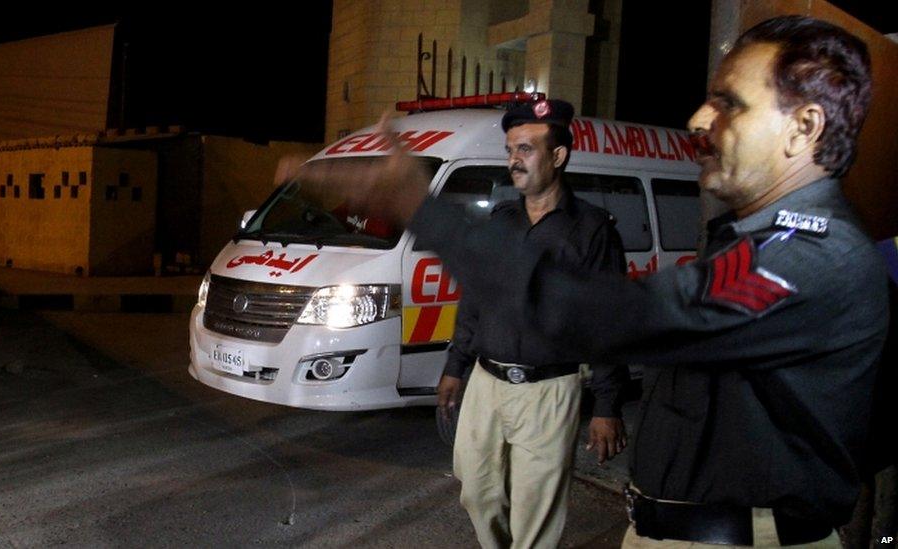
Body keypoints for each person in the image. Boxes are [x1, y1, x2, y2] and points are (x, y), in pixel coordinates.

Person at [281, 14, 888, 547]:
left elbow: (609, 315)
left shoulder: (807, 255)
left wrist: (421, 206)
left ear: (804, 128)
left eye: (730, 102)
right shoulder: (756, 240)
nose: (700, 117)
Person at [435, 99, 630, 548]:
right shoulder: (500, 222)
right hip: (487, 382)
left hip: (548, 391)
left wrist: (606, 405)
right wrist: (455, 365)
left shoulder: (592, 231)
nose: (513, 161)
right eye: (510, 150)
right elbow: (476, 300)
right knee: (477, 492)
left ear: (558, 156)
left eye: (525, 150)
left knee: (534, 511)